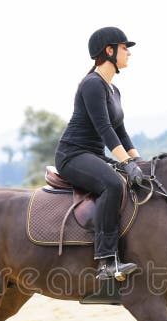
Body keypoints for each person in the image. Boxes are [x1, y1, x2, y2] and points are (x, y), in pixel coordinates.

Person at [54, 26, 145, 282]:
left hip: (93, 155)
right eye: (125, 47)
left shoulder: (114, 90)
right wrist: (125, 164)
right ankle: (107, 261)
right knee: (112, 185)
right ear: (109, 51)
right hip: (73, 155)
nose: (128, 52)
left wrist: (138, 162)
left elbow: (121, 133)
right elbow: (104, 129)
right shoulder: (92, 84)